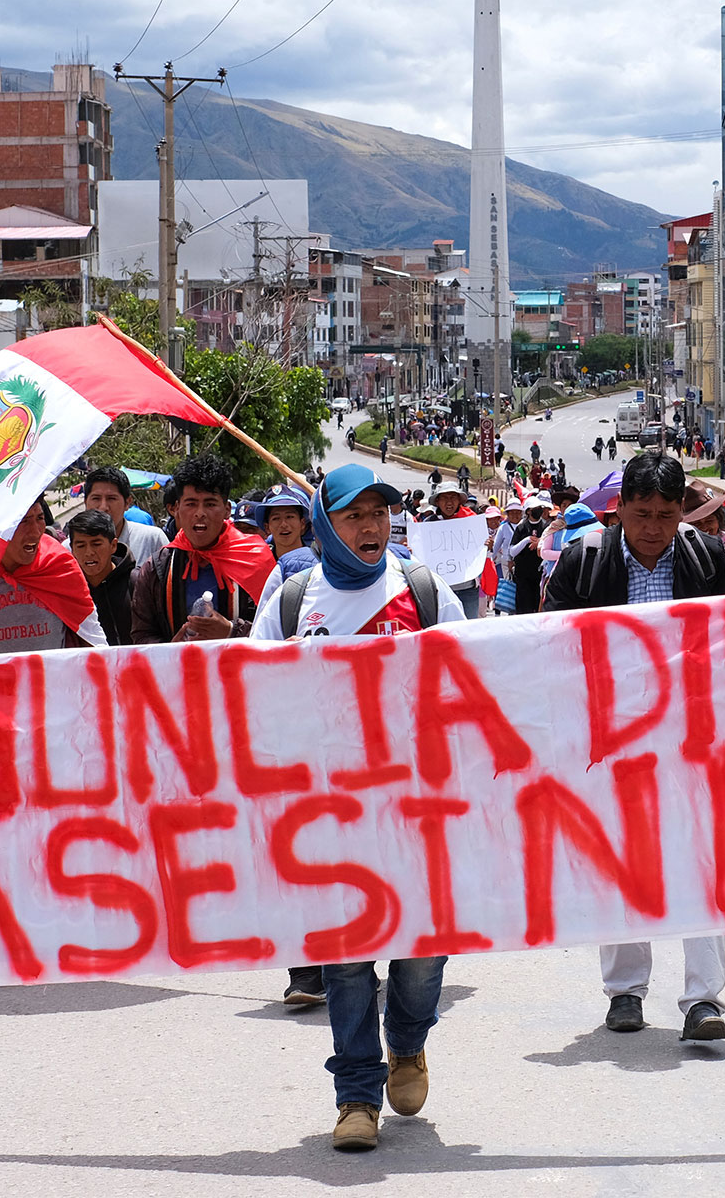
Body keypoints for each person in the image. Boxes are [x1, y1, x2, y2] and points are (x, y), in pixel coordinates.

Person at [250, 464, 463, 1151]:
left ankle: (408, 1039)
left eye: (379, 512)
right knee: (345, 958)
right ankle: (357, 1096)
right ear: (326, 525)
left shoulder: (423, 591)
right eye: (354, 515)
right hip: (328, 813)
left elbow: (471, 681)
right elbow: (254, 698)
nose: (371, 526)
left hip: (419, 809)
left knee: (422, 955)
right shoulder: (291, 603)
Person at [542, 453, 725, 1041]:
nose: (654, 528)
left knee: (702, 858)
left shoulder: (709, 560)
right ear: (619, 509)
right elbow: (547, 645)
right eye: (642, 514)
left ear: (682, 513)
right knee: (620, 859)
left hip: (692, 735)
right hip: (611, 738)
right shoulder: (583, 561)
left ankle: (703, 999)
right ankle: (625, 991)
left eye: (666, 515)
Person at [130, 453, 274, 645]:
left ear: (226, 509)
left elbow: (277, 629)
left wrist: (231, 631)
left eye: (210, 504)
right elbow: (141, 634)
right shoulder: (157, 568)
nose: (200, 513)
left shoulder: (256, 559)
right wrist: (171, 649)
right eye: (191, 504)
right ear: (176, 509)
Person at [0, 494, 106, 653]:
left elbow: (92, 635)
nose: (35, 532)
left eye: (40, 518)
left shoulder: (59, 566)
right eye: (23, 521)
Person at [66, 508, 136, 646]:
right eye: (81, 546)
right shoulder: (68, 591)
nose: (89, 553)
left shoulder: (137, 583)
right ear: (72, 549)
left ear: (113, 545)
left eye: (96, 544)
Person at [423, 482, 486, 620]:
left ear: (459, 500)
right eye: (444, 498)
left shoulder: (471, 521)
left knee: (468, 628)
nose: (449, 502)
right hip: (440, 591)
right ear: (437, 501)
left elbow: (479, 551)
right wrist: (413, 549)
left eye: (453, 497)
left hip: (468, 589)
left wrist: (487, 545)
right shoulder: (427, 525)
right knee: (444, 629)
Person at [83, 466, 167, 567]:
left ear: (127, 503)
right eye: (96, 498)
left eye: (111, 498)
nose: (103, 507)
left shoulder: (152, 539)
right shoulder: (71, 548)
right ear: (85, 503)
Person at [682, 483, 725, 586]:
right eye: (696, 524)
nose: (704, 527)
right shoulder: (681, 549)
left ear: (719, 519)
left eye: (709, 521)